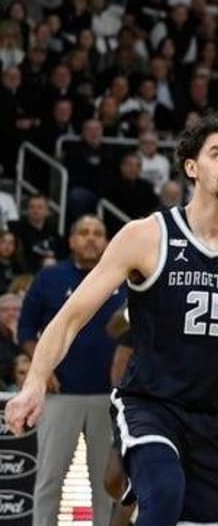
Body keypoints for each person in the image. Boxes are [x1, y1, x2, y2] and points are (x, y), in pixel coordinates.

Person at [3, 111, 218, 526]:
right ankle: (135, 475)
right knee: (166, 495)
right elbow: (69, 318)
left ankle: (129, 485)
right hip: (151, 403)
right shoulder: (146, 236)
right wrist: (33, 383)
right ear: (192, 167)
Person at [19, 215, 123, 526]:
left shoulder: (121, 277)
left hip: (109, 397)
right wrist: (41, 371)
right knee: (50, 480)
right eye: (84, 233)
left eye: (98, 233)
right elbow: (25, 332)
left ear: (107, 241)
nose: (92, 239)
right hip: (60, 395)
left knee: (107, 485)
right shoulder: (50, 278)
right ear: (71, 240)